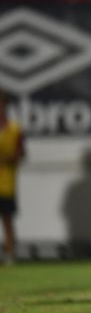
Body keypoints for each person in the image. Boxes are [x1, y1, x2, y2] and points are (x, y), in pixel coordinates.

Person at [0, 90, 25, 265]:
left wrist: (7, 158)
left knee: (7, 220)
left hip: (6, 182)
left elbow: (20, 154)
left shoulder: (15, 129)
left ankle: (10, 255)